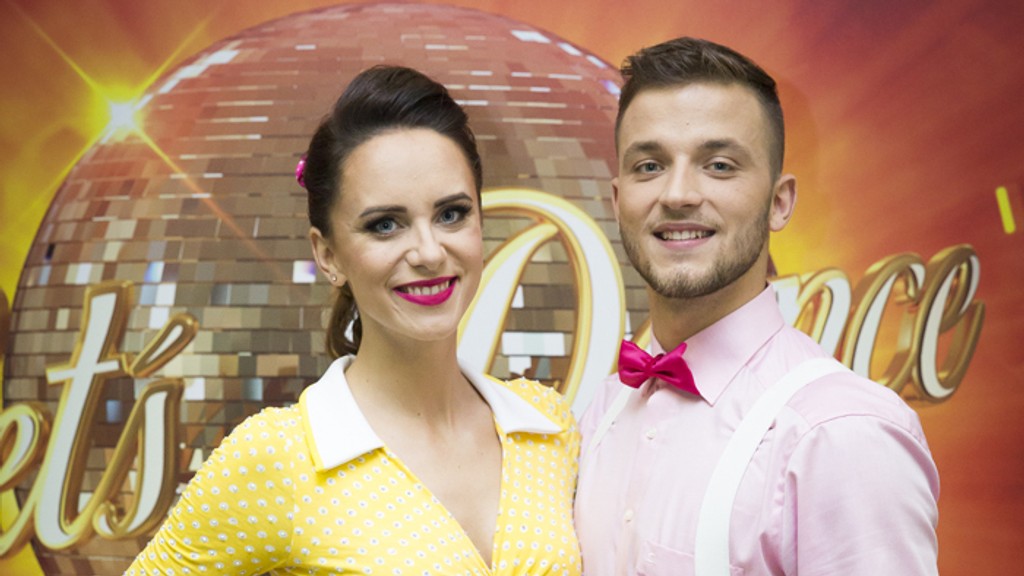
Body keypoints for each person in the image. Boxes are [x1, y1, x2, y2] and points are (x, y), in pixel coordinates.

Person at [127, 65, 581, 576]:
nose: (429, 252)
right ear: (328, 256)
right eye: (385, 225)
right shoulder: (280, 456)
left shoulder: (547, 426)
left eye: (451, 214)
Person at [574, 37, 939, 576]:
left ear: (779, 202)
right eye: (649, 166)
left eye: (719, 165)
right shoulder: (600, 414)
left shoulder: (840, 433)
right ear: (617, 199)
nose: (677, 194)